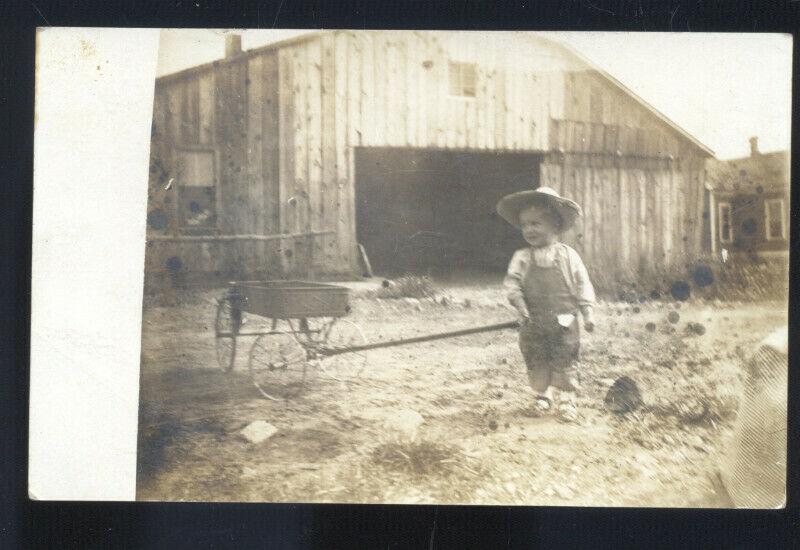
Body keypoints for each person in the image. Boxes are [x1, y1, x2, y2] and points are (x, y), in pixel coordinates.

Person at [496, 186, 596, 422]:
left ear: (556, 226)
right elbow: (513, 285)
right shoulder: (521, 257)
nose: (529, 229)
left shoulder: (568, 256)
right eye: (525, 225)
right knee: (536, 357)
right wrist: (520, 306)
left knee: (565, 358)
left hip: (564, 322)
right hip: (533, 321)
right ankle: (543, 395)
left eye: (536, 223)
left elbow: (583, 284)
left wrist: (588, 313)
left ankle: (567, 400)